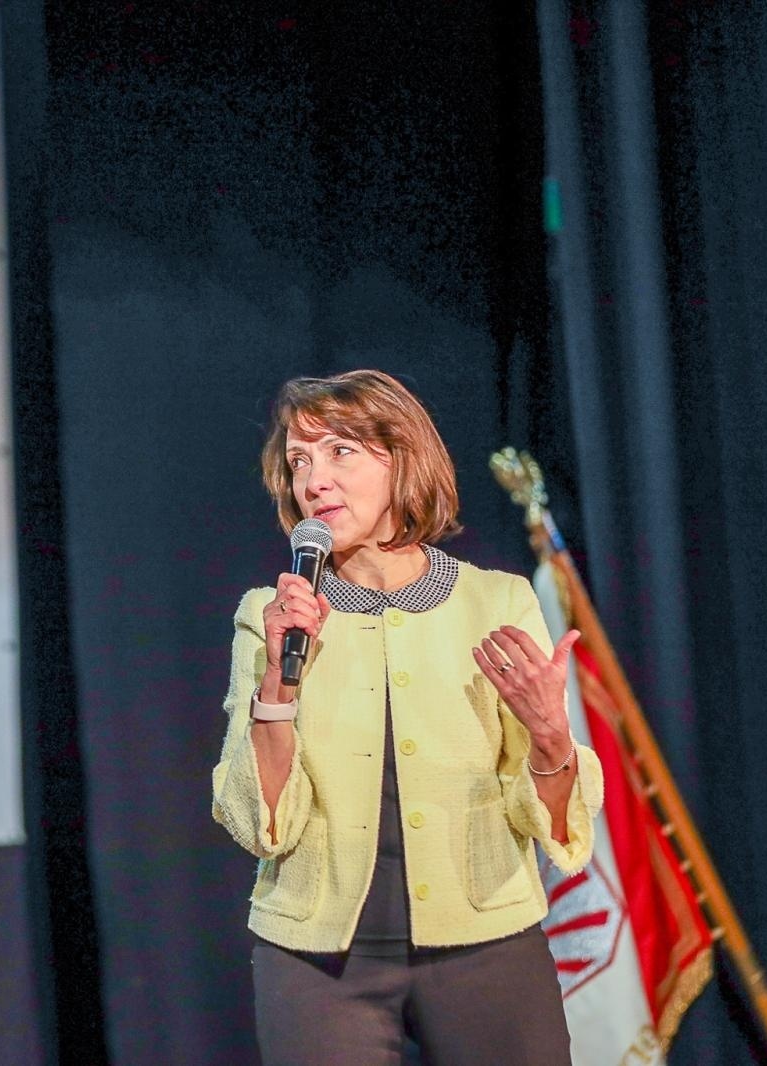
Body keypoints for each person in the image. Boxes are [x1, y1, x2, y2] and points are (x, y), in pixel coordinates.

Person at [211, 370, 603, 1065]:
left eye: (340, 451)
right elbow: (259, 823)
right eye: (299, 462)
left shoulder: (498, 602)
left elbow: (550, 821)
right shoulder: (266, 616)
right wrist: (278, 678)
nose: (314, 481)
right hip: (318, 966)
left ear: (402, 460)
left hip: (487, 945)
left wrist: (550, 739)